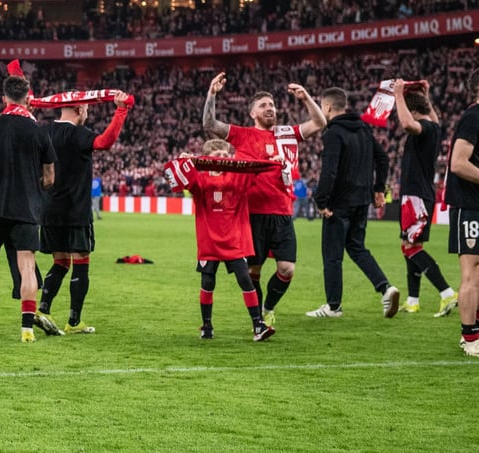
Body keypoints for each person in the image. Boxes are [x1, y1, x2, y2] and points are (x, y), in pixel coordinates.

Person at [203, 72, 326, 327]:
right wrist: (212, 94)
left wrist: (306, 98)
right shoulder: (242, 135)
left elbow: (319, 122)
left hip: (282, 212)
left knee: (287, 269)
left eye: (271, 105)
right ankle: (258, 318)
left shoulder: (287, 134)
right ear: (253, 114)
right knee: (253, 271)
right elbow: (210, 125)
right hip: (252, 214)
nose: (269, 108)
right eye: (263, 106)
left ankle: (269, 307)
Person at [38, 90, 133, 335]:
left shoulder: (44, 131)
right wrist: (121, 110)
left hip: (49, 209)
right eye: (87, 110)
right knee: (81, 263)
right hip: (75, 210)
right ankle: (74, 321)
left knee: (60, 262)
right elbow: (105, 142)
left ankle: (43, 309)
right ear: (79, 110)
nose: (87, 114)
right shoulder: (78, 134)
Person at [0, 75, 56, 342]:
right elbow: (51, 178)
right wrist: (32, 184)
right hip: (27, 207)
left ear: (4, 98)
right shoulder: (39, 131)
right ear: (28, 98)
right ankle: (27, 328)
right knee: (27, 266)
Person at [167, 139, 275, 341]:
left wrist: (272, 159)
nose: (223, 159)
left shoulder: (237, 177)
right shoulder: (200, 179)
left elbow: (257, 168)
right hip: (209, 241)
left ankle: (258, 325)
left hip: (233, 241)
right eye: (218, 156)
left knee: (245, 279)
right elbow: (177, 178)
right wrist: (184, 162)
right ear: (208, 158)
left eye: (226, 156)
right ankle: (207, 326)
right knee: (208, 282)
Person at [307, 88, 398, 319]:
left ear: (327, 107)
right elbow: (383, 158)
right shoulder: (364, 129)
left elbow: (329, 171)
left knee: (332, 255)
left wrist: (321, 201)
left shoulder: (334, 133)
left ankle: (333, 306)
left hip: (339, 203)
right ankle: (386, 288)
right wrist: (378, 189)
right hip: (362, 201)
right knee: (357, 248)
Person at [391, 79, 457, 316]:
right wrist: (426, 94)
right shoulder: (436, 127)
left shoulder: (425, 128)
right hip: (417, 194)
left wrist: (398, 94)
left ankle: (447, 293)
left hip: (416, 195)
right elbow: (431, 117)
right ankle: (413, 300)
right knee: (409, 245)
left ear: (415, 111)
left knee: (411, 247)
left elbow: (409, 124)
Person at [446, 69, 479, 357]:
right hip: (470, 206)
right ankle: (469, 338)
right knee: (472, 272)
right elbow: (458, 163)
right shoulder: (473, 117)